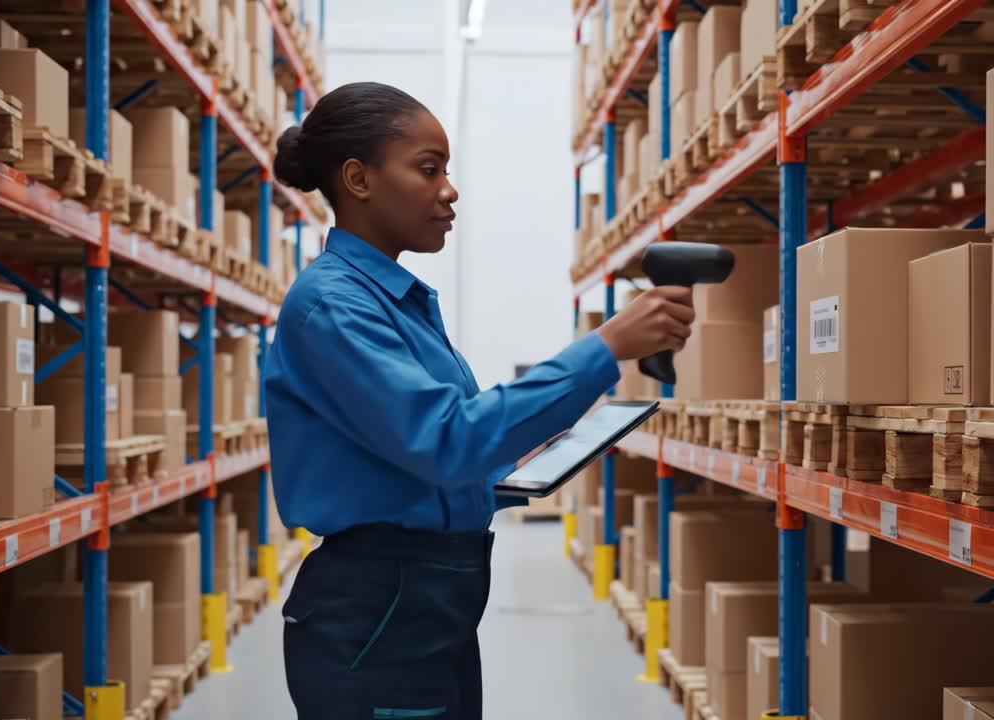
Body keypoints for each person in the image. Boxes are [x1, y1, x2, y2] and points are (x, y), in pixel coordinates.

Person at [264, 82, 695, 720]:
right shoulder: (334, 305)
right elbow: (445, 439)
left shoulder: (394, 300)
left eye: (447, 170)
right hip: (379, 608)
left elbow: (423, 454)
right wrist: (604, 347)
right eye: (428, 169)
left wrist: (505, 472)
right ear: (359, 179)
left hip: (429, 603)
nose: (449, 189)